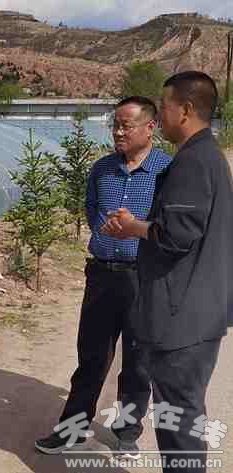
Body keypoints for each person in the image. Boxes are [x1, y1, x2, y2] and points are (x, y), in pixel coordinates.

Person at [102, 71, 233, 473]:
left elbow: (176, 236)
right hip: (200, 311)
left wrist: (133, 227)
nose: (161, 115)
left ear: (186, 110)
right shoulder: (209, 157)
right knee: (183, 417)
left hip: (182, 319)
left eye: (166, 105)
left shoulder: (192, 162)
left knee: (178, 423)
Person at [35, 97, 171, 457]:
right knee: (91, 359)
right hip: (101, 276)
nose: (118, 132)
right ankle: (72, 429)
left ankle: (127, 431)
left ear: (150, 127)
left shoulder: (167, 171)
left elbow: (170, 227)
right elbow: (91, 209)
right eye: (115, 125)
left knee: (138, 363)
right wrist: (106, 236)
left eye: (126, 125)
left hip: (145, 279)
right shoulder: (102, 169)